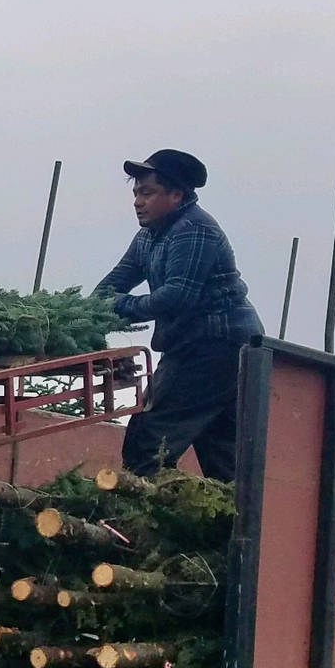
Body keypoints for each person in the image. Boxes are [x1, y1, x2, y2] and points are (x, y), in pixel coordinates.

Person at [93, 150, 263, 481]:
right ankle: (224, 528)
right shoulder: (148, 237)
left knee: (148, 443)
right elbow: (108, 288)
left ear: (176, 195)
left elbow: (175, 297)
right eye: (136, 193)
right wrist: (92, 311)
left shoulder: (194, 230)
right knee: (223, 457)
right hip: (204, 349)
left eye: (147, 192)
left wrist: (120, 305)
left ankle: (146, 520)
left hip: (216, 346)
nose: (137, 202)